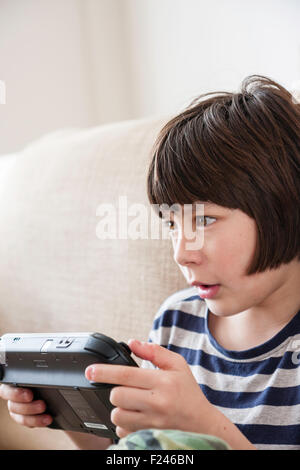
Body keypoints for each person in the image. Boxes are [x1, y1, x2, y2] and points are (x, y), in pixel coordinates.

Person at [1, 75, 299, 450]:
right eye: (173, 225)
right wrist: (72, 414)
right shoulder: (177, 321)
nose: (181, 252)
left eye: (205, 220)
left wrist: (204, 425)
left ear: (286, 208)